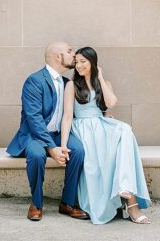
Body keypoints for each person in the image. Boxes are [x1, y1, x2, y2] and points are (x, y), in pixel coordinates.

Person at [59, 46, 152, 224]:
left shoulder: (103, 83)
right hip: (83, 128)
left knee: (124, 129)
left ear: (93, 62)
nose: (78, 66)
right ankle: (129, 204)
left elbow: (111, 102)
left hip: (100, 124)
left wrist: (100, 77)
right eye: (76, 62)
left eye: (83, 62)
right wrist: (64, 145)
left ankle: (125, 188)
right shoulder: (71, 85)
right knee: (100, 159)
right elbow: (67, 116)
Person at [6, 41, 90, 221]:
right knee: (37, 155)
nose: (74, 54)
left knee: (79, 151)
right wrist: (52, 148)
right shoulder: (34, 81)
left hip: (59, 134)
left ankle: (67, 203)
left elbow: (82, 107)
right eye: (69, 51)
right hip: (35, 135)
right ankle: (36, 203)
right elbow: (34, 119)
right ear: (58, 57)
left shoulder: (68, 83)